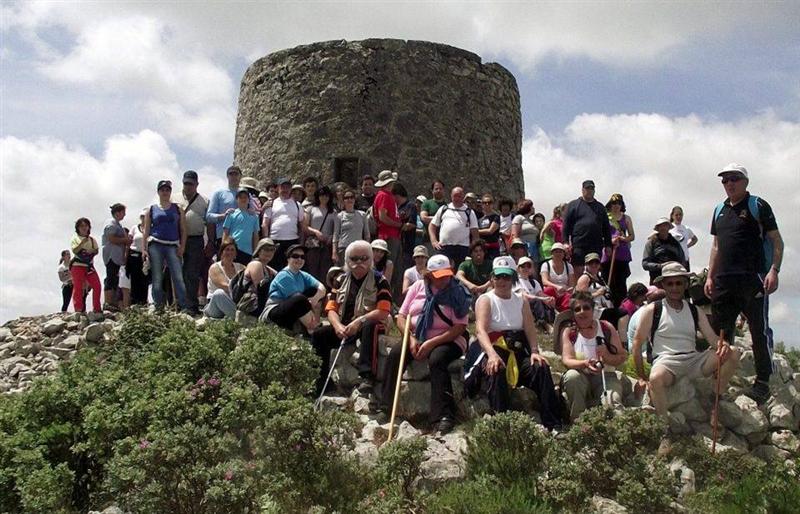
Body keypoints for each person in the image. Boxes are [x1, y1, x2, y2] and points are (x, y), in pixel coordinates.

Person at [704, 163, 783, 404]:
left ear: (745, 182)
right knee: (722, 332)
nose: (729, 183)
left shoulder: (757, 206)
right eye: (725, 180)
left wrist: (774, 271)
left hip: (753, 279)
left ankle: (762, 381)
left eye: (734, 179)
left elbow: (777, 241)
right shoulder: (719, 210)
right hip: (724, 281)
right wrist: (710, 276)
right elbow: (716, 246)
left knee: (758, 330)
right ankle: (721, 377)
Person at [465, 255, 564, 430]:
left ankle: (553, 422)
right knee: (496, 369)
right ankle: (502, 424)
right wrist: (492, 355)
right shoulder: (486, 300)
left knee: (540, 368)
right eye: (498, 276)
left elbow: (530, 328)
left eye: (506, 276)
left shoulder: (521, 300)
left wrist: (535, 351)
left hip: (518, 350)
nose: (502, 281)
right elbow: (480, 330)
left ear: (513, 278)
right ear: (492, 278)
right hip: (495, 348)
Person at [381, 254, 471, 435]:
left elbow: (460, 326)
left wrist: (430, 343)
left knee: (438, 359)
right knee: (395, 355)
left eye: (446, 275)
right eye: (439, 276)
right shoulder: (417, 287)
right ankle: (386, 405)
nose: (444, 279)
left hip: (449, 337)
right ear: (429, 275)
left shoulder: (457, 292)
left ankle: (443, 415)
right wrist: (411, 339)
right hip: (417, 335)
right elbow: (402, 316)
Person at [634, 262, 740, 417]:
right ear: (663, 285)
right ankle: (663, 424)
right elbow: (637, 343)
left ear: (685, 284)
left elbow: (712, 338)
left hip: (694, 360)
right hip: (666, 362)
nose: (674, 287)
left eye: (679, 283)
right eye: (670, 283)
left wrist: (723, 345)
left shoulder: (694, 311)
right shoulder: (652, 310)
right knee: (655, 378)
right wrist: (641, 376)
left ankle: (715, 398)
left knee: (734, 352)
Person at [311, 240, 392, 395]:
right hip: (345, 325)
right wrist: (337, 326)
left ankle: (367, 376)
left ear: (371, 260)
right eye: (354, 259)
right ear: (347, 260)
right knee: (318, 335)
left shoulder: (380, 281)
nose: (359, 262)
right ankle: (320, 383)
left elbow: (383, 311)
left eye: (364, 258)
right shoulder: (340, 280)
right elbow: (331, 309)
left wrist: (359, 321)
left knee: (370, 326)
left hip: (369, 323)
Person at [560, 291, 628, 420]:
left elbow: (621, 356)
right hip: (581, 377)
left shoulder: (606, 327)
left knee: (613, 401)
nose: (582, 312)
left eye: (586, 308)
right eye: (577, 309)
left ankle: (618, 428)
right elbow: (567, 360)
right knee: (572, 376)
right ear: (573, 313)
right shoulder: (569, 332)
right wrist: (584, 363)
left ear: (593, 309)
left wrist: (606, 356)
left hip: (606, 376)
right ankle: (579, 422)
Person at [143, 180, 190, 311]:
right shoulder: (151, 210)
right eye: (162, 190)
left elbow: (183, 230)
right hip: (155, 244)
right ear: (158, 192)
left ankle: (182, 305)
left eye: (167, 190)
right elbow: (146, 231)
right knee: (157, 277)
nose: (165, 192)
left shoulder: (177, 209)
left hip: (173, 245)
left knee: (178, 276)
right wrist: (144, 250)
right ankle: (159, 306)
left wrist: (182, 247)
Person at [261, 244, 326, 333]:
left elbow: (322, 288)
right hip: (274, 312)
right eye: (295, 256)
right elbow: (298, 301)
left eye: (302, 257)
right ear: (288, 259)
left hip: (295, 309)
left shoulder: (303, 275)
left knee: (313, 291)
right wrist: (311, 306)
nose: (299, 259)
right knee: (299, 299)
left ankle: (313, 327)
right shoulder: (284, 275)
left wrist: (315, 298)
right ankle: (314, 329)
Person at [562, 180, 613, 277]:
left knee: (594, 271)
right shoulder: (573, 205)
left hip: (596, 244)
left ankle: (592, 291)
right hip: (579, 244)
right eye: (587, 188)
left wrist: (608, 245)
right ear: (582, 190)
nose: (590, 191)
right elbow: (566, 225)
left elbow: (606, 228)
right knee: (578, 270)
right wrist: (565, 242)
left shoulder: (600, 207)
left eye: (592, 188)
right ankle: (579, 291)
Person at [179, 170, 212, 314]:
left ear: (197, 184)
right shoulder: (174, 199)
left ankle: (191, 305)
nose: (188, 186)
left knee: (192, 273)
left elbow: (209, 223)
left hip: (196, 239)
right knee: (177, 272)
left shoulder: (205, 201)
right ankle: (178, 304)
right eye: (186, 183)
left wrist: (210, 241)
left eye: (191, 184)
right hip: (177, 239)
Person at [262, 177, 306, 271]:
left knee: (292, 269)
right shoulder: (271, 204)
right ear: (278, 188)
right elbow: (265, 224)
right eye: (283, 187)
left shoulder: (297, 205)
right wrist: (267, 242)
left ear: (290, 189)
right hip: (274, 241)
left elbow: (302, 227)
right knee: (273, 269)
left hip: (292, 241)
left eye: (287, 187)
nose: (285, 189)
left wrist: (301, 245)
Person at [429, 186, 479, 269]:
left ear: (463, 197)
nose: (457, 198)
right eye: (455, 196)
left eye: (459, 196)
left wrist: (473, 249)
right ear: (451, 196)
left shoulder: (469, 212)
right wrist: (434, 241)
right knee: (441, 271)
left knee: (460, 272)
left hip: (462, 248)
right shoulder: (444, 209)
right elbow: (432, 225)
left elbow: (475, 233)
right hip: (444, 247)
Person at [601, 193, 634, 307]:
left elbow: (632, 236)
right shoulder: (605, 217)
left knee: (621, 281)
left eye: (618, 203)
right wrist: (610, 240)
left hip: (622, 251)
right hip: (608, 251)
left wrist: (622, 238)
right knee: (607, 280)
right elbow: (600, 234)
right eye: (614, 203)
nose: (616, 205)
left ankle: (622, 305)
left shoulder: (626, 218)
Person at [237, 238, 278, 318]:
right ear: (259, 251)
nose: (269, 252)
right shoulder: (255, 264)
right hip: (251, 306)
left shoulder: (268, 269)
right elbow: (262, 289)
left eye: (272, 249)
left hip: (262, 304)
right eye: (266, 249)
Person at [203, 240, 245, 319]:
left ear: (236, 254)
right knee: (219, 293)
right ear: (221, 253)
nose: (230, 252)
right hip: (215, 305)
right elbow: (226, 287)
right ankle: (240, 318)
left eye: (232, 250)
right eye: (227, 249)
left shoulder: (240, 267)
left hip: (232, 303)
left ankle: (238, 316)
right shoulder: (215, 267)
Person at [207, 165, 246, 248]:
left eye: (236, 174)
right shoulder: (219, 193)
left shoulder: (246, 193)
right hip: (224, 236)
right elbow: (209, 216)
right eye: (231, 174)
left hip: (242, 236)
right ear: (227, 176)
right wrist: (224, 216)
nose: (233, 176)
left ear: (240, 176)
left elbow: (252, 211)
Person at [69, 217, 102, 313]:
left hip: (89, 266)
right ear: (78, 228)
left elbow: (96, 250)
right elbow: (74, 250)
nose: (84, 228)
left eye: (86, 226)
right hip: (77, 265)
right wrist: (82, 243)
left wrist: (92, 251)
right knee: (78, 287)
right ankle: (78, 309)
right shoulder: (75, 238)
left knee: (97, 286)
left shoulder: (92, 240)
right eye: (81, 226)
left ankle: (97, 308)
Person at [303, 185, 335, 283]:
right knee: (312, 269)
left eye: (326, 195)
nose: (324, 197)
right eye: (321, 195)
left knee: (325, 270)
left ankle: (324, 292)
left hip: (327, 244)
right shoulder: (310, 209)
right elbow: (305, 226)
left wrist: (331, 237)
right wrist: (316, 232)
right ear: (318, 196)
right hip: (314, 244)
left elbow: (336, 229)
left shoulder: (333, 211)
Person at [101, 203, 129, 311]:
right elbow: (111, 238)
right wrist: (125, 240)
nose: (124, 215)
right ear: (117, 212)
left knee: (115, 279)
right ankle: (108, 302)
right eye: (123, 212)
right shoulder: (111, 223)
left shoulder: (118, 224)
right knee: (111, 278)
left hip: (117, 257)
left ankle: (113, 302)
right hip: (111, 255)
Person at [514, 256, 555, 328]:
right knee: (537, 301)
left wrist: (548, 299)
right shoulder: (516, 281)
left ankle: (551, 322)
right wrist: (541, 299)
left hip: (534, 305)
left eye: (528, 266)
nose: (526, 268)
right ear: (518, 268)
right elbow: (525, 295)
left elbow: (540, 294)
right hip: (522, 305)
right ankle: (543, 323)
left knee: (547, 300)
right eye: (523, 266)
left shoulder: (534, 282)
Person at [642, 217, 686, 284]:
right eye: (660, 226)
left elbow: (682, 261)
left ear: (669, 227)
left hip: (674, 280)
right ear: (657, 228)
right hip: (657, 280)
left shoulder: (675, 243)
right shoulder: (651, 242)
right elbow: (645, 264)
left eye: (665, 225)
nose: (663, 228)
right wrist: (660, 266)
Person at [332, 189, 371, 265]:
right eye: (346, 198)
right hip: (343, 248)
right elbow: (335, 235)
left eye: (351, 197)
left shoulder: (362, 215)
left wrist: (367, 250)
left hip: (358, 248)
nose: (349, 199)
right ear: (343, 200)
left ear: (354, 199)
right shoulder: (339, 216)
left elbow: (367, 235)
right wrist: (334, 252)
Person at [223, 188, 261, 265]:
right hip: (233, 250)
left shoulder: (254, 216)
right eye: (240, 197)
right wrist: (223, 249)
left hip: (248, 251)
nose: (243, 199)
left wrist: (255, 253)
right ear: (236, 199)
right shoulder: (231, 214)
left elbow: (255, 236)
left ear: (249, 200)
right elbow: (225, 233)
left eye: (245, 197)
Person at [576, 253, 614, 321]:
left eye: (596, 263)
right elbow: (580, 298)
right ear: (586, 265)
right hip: (593, 311)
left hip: (605, 308)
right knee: (622, 313)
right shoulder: (585, 278)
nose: (594, 265)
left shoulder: (601, 279)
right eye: (591, 263)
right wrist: (597, 293)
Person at [541, 243, 575, 312]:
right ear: (552, 254)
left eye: (560, 252)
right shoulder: (546, 265)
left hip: (564, 293)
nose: (558, 254)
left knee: (570, 297)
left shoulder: (569, 266)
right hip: (552, 293)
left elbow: (571, 284)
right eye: (556, 252)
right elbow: (544, 281)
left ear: (564, 254)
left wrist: (567, 290)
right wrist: (557, 287)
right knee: (547, 290)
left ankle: (564, 314)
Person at [127, 209, 149, 305]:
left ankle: (143, 301)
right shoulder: (134, 228)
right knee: (134, 279)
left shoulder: (151, 229)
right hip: (134, 255)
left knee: (145, 279)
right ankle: (134, 302)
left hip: (145, 257)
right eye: (143, 217)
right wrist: (125, 255)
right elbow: (129, 241)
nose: (144, 219)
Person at [395, 182, 418, 274]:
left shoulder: (410, 206)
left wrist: (397, 226)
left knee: (404, 271)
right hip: (396, 243)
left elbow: (411, 224)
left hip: (406, 245)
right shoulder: (395, 207)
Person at [419, 180, 448, 252]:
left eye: (440, 189)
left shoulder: (448, 206)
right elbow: (424, 218)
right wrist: (441, 219)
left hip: (444, 242)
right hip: (428, 241)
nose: (438, 191)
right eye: (436, 189)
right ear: (432, 191)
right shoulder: (427, 203)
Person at [511, 199, 541, 264]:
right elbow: (514, 234)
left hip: (534, 247)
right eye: (532, 206)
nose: (534, 208)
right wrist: (518, 249)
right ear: (527, 207)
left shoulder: (531, 221)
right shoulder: (519, 218)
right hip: (524, 246)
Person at [669, 206, 698, 270]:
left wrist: (687, 246)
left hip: (685, 259)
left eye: (680, 215)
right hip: (673, 260)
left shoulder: (686, 228)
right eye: (676, 215)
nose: (679, 217)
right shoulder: (669, 228)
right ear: (672, 216)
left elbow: (695, 239)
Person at [477, 193, 502, 259]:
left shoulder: (496, 217)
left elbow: (490, 231)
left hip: (493, 249)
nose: (487, 204)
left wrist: (476, 231)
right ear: (482, 205)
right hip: (482, 248)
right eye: (485, 202)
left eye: (489, 202)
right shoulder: (479, 219)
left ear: (492, 204)